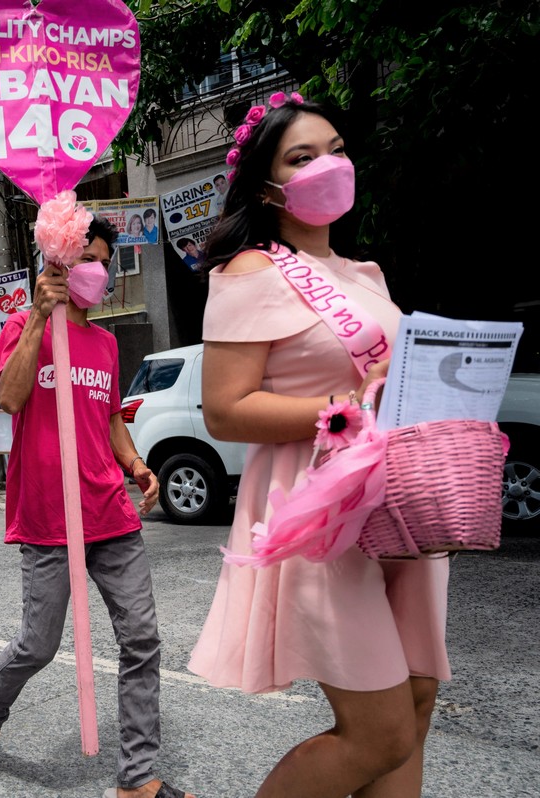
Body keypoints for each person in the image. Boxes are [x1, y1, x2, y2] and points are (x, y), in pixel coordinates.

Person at [188, 94, 449, 798]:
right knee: (379, 730)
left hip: (402, 505)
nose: (327, 165)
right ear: (267, 186)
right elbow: (226, 407)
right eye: (302, 157)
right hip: (323, 514)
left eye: (335, 148)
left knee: (418, 703)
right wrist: (339, 410)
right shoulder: (249, 271)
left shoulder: (366, 277)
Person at [0, 215, 192, 798]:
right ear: (56, 262)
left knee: (141, 637)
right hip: (47, 516)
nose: (96, 270)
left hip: (109, 510)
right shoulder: (20, 325)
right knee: (38, 643)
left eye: (102, 260)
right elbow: (9, 399)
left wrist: (135, 464)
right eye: (85, 257)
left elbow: (109, 416)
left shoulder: (107, 342)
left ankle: (136, 778)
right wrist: (39, 314)